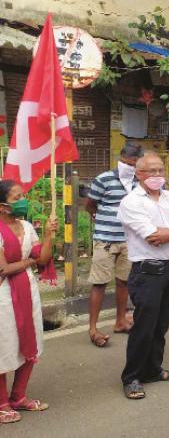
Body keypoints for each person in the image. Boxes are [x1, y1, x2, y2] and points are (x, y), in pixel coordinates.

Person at [117, 152, 169, 400]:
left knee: (161, 326)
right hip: (148, 272)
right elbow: (152, 236)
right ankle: (131, 378)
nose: (157, 175)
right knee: (143, 326)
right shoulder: (131, 202)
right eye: (151, 171)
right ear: (139, 174)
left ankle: (153, 369)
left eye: (160, 170)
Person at [0, 181, 57, 423]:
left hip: (27, 290)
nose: (23, 200)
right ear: (2, 206)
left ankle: (19, 397)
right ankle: (2, 404)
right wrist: (29, 263)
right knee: (4, 344)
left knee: (30, 339)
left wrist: (48, 235)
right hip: (3, 294)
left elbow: (42, 258)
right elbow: (3, 269)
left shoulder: (25, 226)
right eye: (17, 197)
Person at [85, 142, 143, 348]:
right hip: (105, 240)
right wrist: (104, 220)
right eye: (126, 163)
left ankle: (120, 321)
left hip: (129, 240)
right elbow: (90, 205)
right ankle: (93, 328)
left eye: (134, 164)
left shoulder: (140, 181)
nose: (129, 167)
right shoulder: (104, 179)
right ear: (121, 159)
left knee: (124, 282)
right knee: (99, 283)